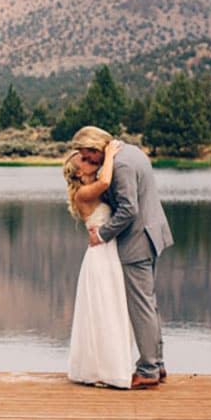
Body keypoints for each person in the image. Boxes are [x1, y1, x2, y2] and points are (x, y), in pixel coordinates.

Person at [71, 125, 174, 388]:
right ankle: (157, 363)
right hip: (151, 234)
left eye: (86, 155)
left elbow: (128, 209)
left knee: (140, 305)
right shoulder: (129, 153)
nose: (86, 161)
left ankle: (148, 368)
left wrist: (102, 234)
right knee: (148, 303)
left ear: (96, 149)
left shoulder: (121, 165)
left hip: (137, 241)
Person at [63, 142, 135, 389]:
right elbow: (105, 182)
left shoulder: (94, 190)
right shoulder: (83, 194)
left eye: (86, 156)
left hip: (107, 251)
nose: (86, 159)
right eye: (81, 160)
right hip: (100, 256)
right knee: (103, 309)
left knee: (112, 307)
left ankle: (111, 366)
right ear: (80, 173)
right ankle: (103, 370)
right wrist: (111, 154)